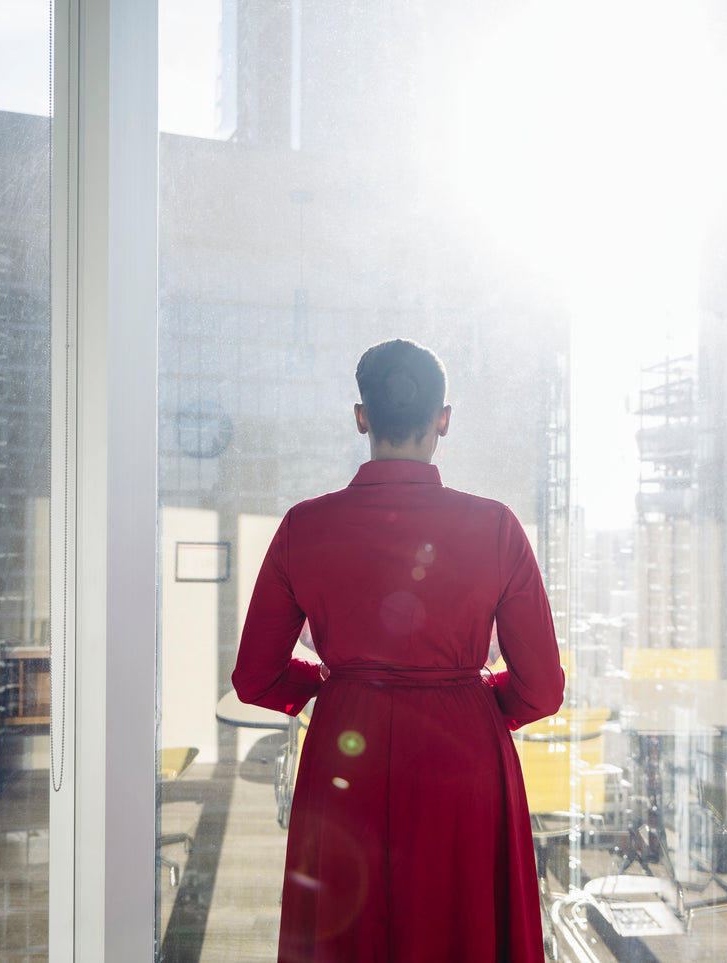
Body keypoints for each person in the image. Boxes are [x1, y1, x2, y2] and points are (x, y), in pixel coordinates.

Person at [232, 338, 565, 963]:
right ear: (444, 419)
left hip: (345, 748)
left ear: (362, 417)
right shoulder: (495, 527)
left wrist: (333, 688)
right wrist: (479, 697)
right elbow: (542, 690)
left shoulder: (304, 526)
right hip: (464, 756)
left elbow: (255, 677)